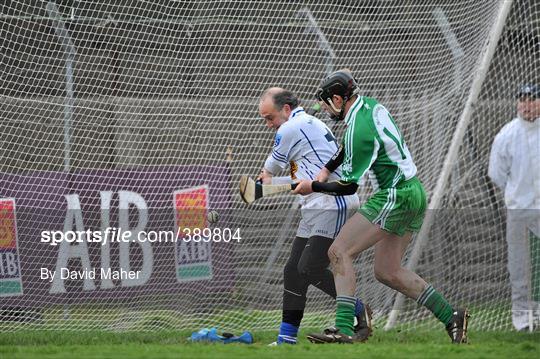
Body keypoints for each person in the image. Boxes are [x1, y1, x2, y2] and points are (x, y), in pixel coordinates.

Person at [293, 70, 469, 344]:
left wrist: (311, 186)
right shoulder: (370, 106)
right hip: (413, 192)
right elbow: (345, 149)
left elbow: (349, 186)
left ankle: (344, 328)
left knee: (338, 251)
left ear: (339, 98)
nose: (326, 109)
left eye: (327, 103)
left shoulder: (358, 131)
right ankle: (452, 315)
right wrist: (326, 170)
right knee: (387, 271)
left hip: (394, 195)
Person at [257, 87, 372, 345]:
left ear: (286, 109)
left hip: (332, 202)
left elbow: (266, 176)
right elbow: (300, 179)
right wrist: (268, 186)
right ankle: (286, 339)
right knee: (293, 272)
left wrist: (256, 188)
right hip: (315, 204)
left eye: (270, 118)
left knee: (309, 267)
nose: (268, 125)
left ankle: (357, 309)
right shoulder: (307, 124)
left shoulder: (289, 128)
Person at [488, 84, 540, 332]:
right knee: (519, 266)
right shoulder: (507, 134)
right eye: (523, 100)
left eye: (532, 100)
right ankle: (522, 320)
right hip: (519, 210)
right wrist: (518, 193)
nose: (526, 105)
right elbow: (497, 174)